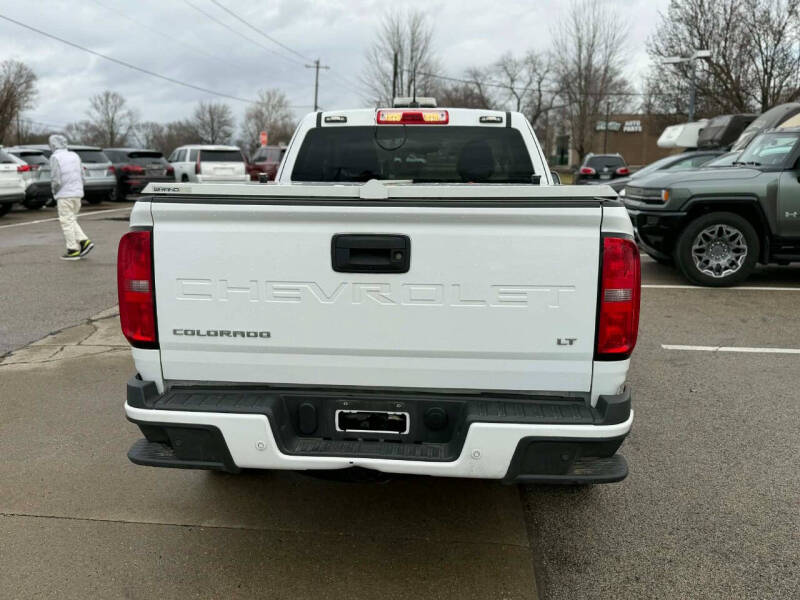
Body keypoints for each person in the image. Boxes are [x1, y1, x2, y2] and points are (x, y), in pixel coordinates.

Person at [49, 134, 94, 260]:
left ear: (53, 145)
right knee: (71, 219)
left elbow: (56, 179)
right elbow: (82, 175)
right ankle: (84, 242)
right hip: (77, 194)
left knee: (66, 222)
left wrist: (54, 193)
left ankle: (72, 250)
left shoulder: (55, 157)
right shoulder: (75, 156)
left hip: (64, 195)